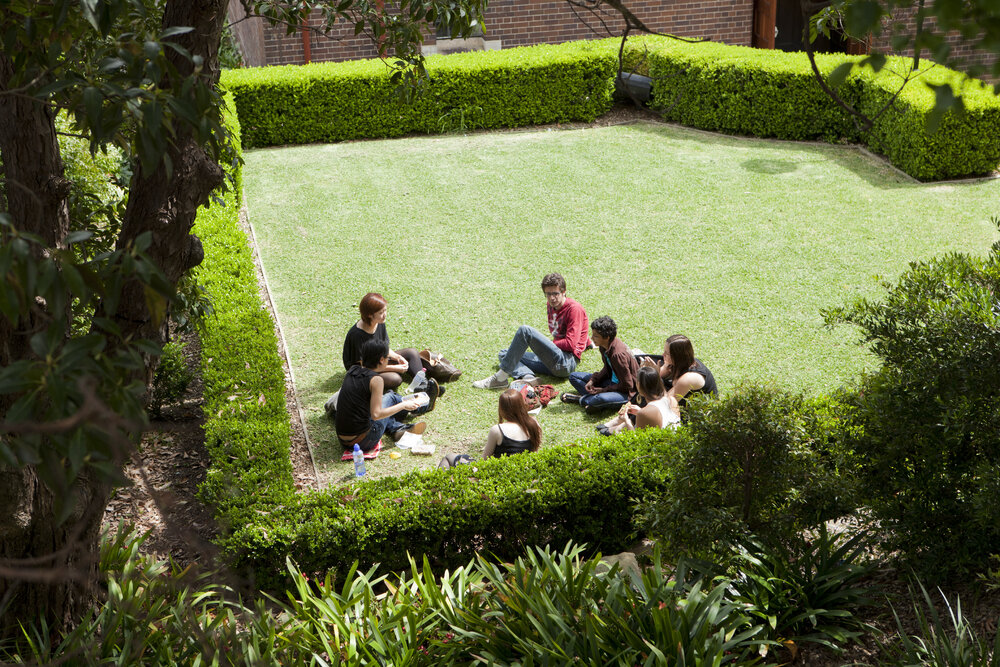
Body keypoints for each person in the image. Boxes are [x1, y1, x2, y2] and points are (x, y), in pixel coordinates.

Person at [472, 273, 590, 389]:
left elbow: (570, 344)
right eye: (548, 294)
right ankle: (528, 377)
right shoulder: (551, 305)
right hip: (553, 360)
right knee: (505, 354)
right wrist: (588, 343)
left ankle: (500, 379)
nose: (552, 298)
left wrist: (547, 345)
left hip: (565, 363)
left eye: (555, 293)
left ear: (564, 292)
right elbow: (579, 330)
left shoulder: (574, 309)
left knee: (525, 331)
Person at [336, 339, 437, 452]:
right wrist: (403, 405)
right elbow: (376, 414)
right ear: (381, 360)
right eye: (388, 359)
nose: (388, 361)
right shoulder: (376, 380)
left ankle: (397, 428)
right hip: (363, 441)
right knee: (391, 397)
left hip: (343, 440)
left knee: (384, 401)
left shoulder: (353, 370)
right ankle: (423, 406)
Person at [439, 388, 542, 467]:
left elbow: (484, 461)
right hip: (521, 474)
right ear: (522, 405)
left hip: (497, 477)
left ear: (502, 409)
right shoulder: (533, 423)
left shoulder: (497, 430)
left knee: (449, 458)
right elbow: (534, 453)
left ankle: (440, 492)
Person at [343, 293, 424, 391]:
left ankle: (423, 384)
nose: (384, 315)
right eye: (381, 312)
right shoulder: (357, 335)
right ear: (369, 315)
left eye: (385, 310)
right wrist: (395, 368)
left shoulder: (379, 322)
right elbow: (362, 367)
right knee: (395, 379)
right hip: (362, 371)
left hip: (378, 359)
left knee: (412, 352)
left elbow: (384, 346)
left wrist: (398, 357)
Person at [561, 316, 638, 414]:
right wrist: (593, 380)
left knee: (600, 398)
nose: (592, 338)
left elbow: (628, 385)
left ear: (607, 337)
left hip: (625, 392)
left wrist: (603, 390)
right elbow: (607, 368)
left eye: (596, 336)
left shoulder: (617, 355)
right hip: (611, 382)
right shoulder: (604, 346)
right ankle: (592, 400)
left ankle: (583, 400)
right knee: (574, 376)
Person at [597, 366, 679, 435]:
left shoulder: (645, 412)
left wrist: (627, 420)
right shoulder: (672, 400)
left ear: (639, 385)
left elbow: (637, 440)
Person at [642, 334, 717, 405]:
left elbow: (666, 404)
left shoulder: (689, 378)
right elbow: (660, 373)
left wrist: (656, 378)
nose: (663, 355)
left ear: (677, 357)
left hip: (696, 413)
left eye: (666, 353)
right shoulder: (674, 363)